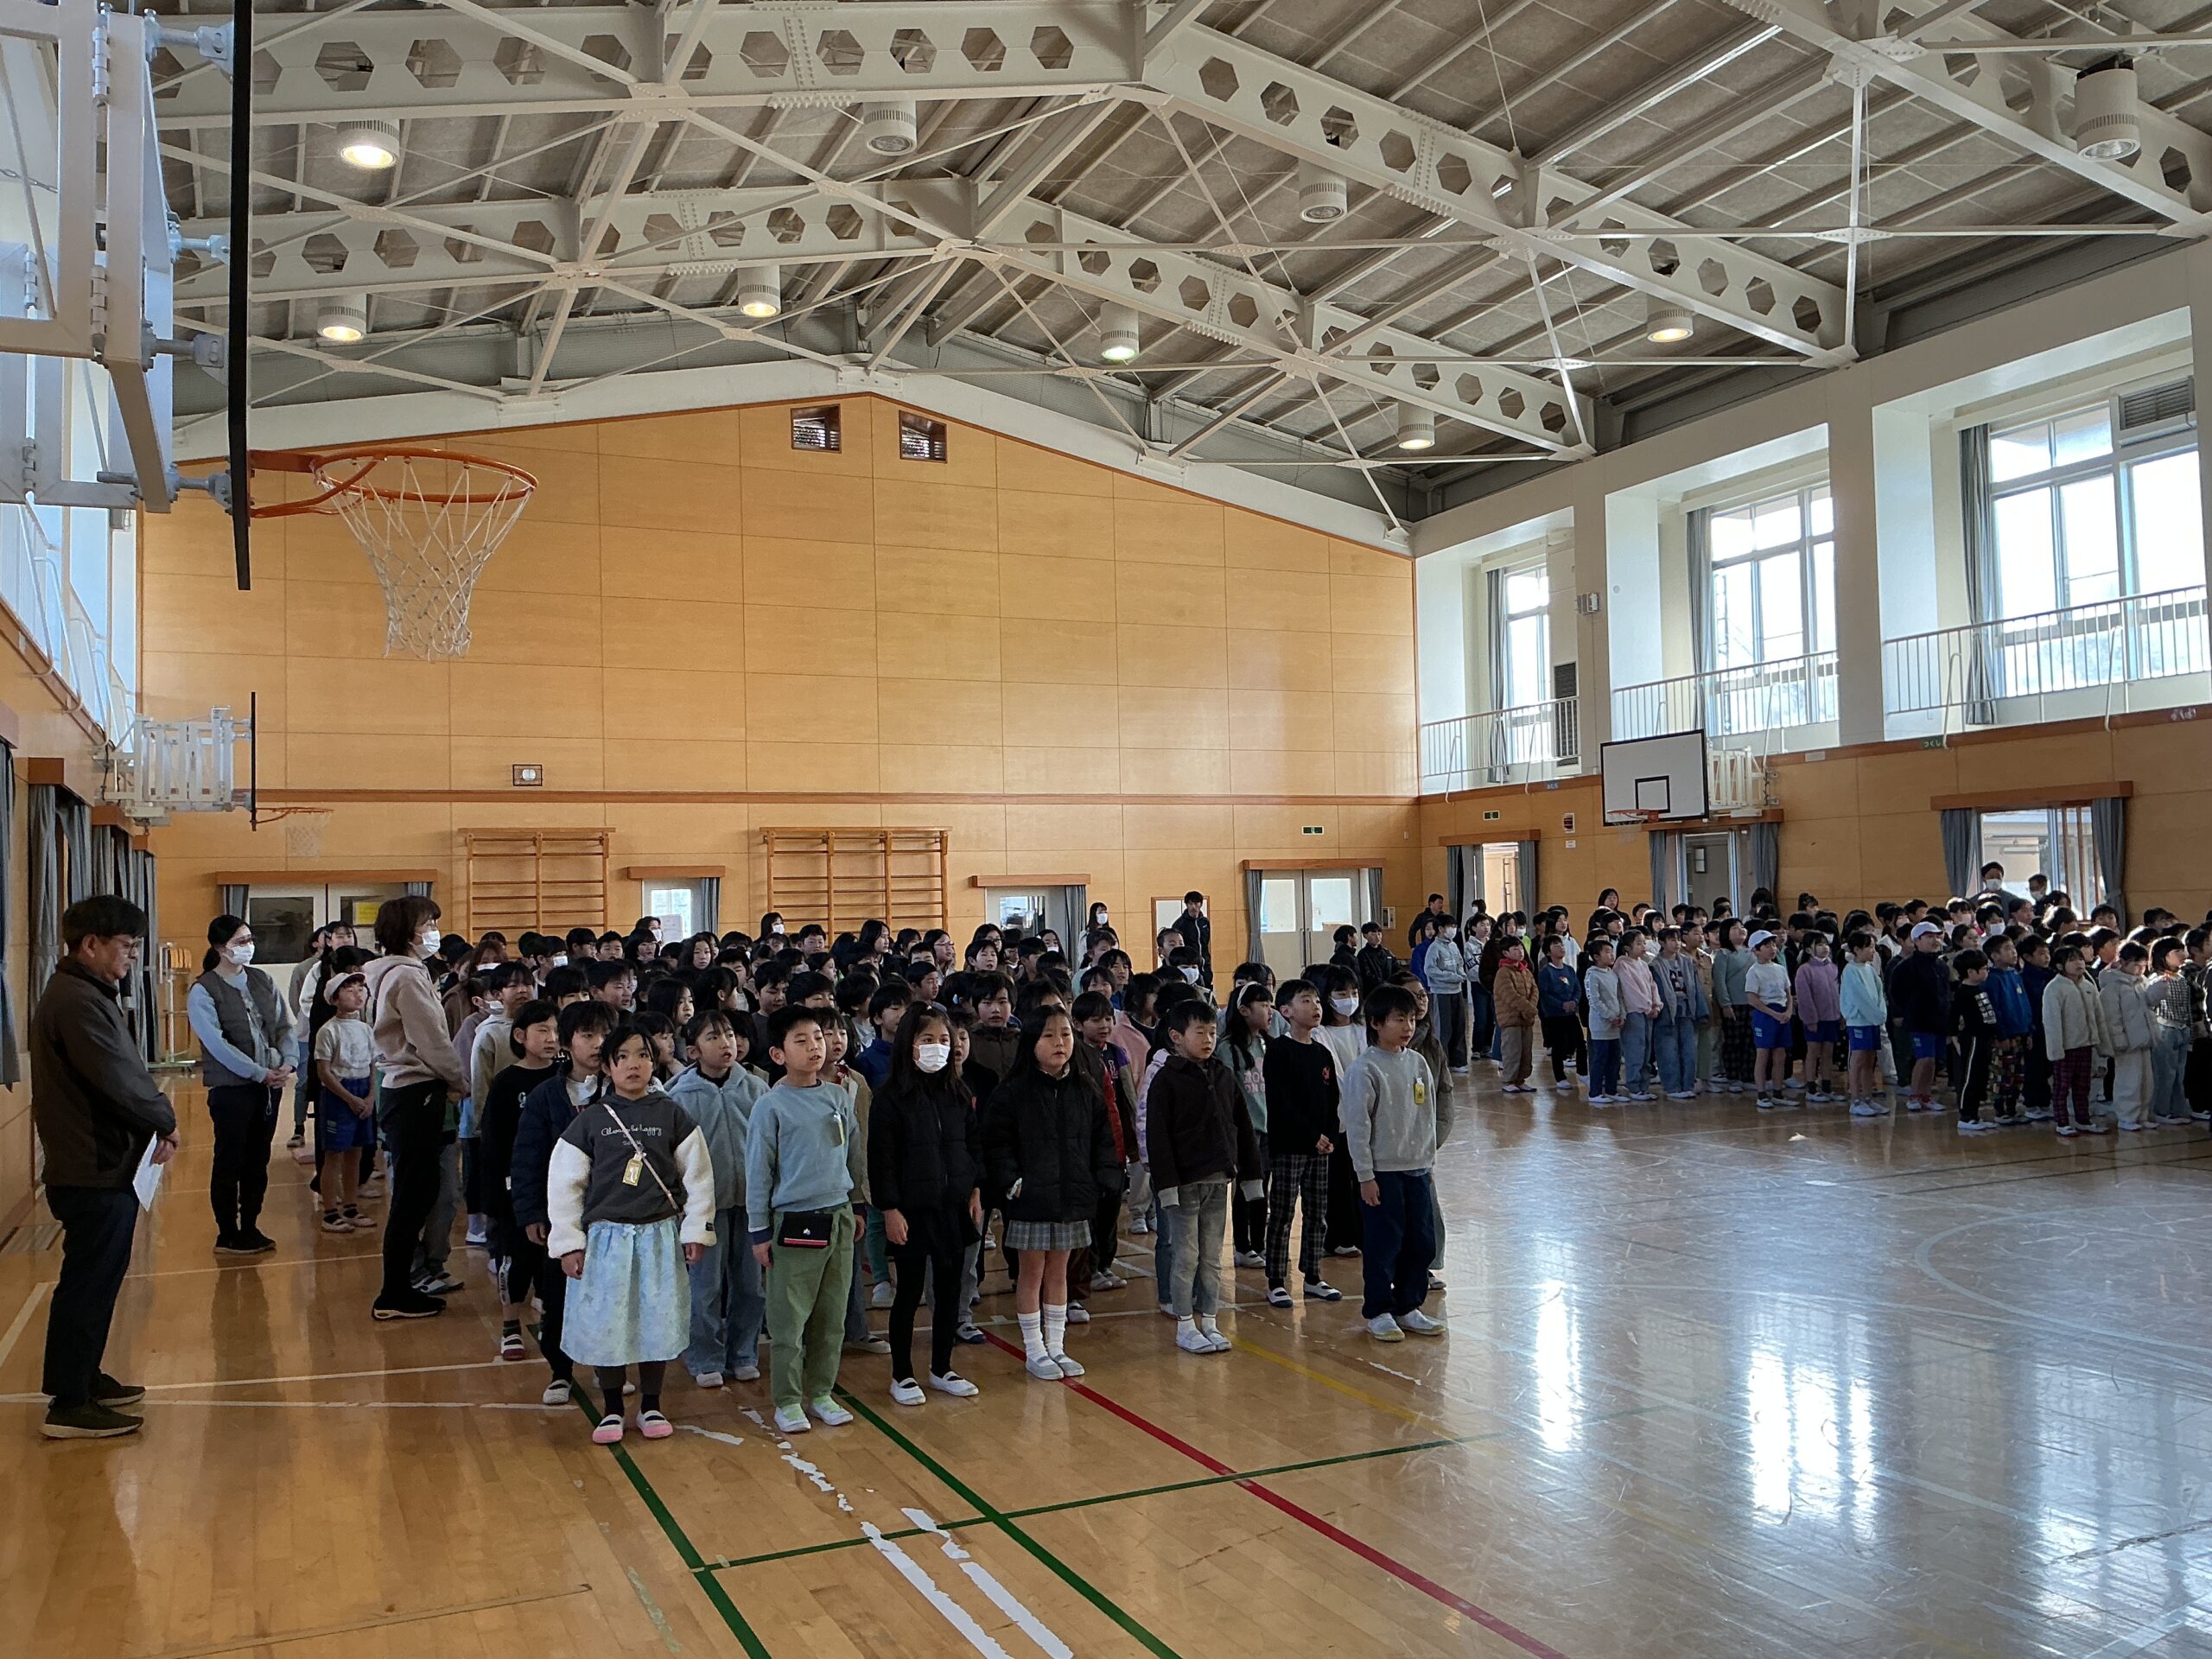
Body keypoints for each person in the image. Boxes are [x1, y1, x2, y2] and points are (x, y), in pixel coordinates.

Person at [31, 895, 178, 1439]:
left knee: (96, 1282)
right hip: (91, 1168)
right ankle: (69, 1403)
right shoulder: (76, 1000)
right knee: (88, 1285)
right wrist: (165, 1119)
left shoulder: (85, 992)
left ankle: (83, 1377)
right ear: (89, 944)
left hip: (99, 1164)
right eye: (127, 946)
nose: (133, 957)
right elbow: (117, 1077)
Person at [548, 1026, 715, 1444]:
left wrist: (695, 1230)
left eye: (642, 1055)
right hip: (606, 1241)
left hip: (659, 1236)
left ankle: (652, 1404)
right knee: (609, 1322)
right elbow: (565, 1185)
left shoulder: (672, 1114)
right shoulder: (591, 1120)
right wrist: (569, 1243)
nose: (633, 1064)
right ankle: (611, 1408)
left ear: (654, 1062)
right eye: (621, 1057)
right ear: (607, 1067)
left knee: (657, 1319)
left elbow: (698, 1177)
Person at [981, 1007, 1120, 1381]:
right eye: (1049, 1035)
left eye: (1066, 1034)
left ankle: (1056, 1346)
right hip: (1030, 1198)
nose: (1060, 1043)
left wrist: (1101, 1179)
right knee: (1031, 1273)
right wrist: (1013, 1183)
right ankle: (1034, 1349)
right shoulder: (1013, 1091)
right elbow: (996, 1144)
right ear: (1031, 1042)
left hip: (1072, 1196)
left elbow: (1103, 1139)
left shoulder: (1084, 1088)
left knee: (1060, 1273)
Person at [746, 1004, 865, 1435]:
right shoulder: (770, 1106)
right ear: (778, 1054)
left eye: (818, 1037)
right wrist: (759, 1230)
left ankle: (821, 1392)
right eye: (802, 1040)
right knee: (790, 1319)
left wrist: (857, 1204)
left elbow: (853, 1154)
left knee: (832, 1316)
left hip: (839, 1214)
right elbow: (758, 1172)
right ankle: (788, 1399)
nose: (816, 1046)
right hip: (794, 1219)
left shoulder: (838, 1097)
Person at [868, 1001, 984, 1404]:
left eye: (943, 1039)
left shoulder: (957, 1093)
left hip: (952, 1206)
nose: (938, 1046)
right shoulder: (890, 1098)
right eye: (927, 1039)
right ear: (909, 1044)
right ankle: (902, 1374)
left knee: (950, 1290)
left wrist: (974, 1189)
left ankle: (942, 1367)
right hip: (911, 1209)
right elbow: (881, 1160)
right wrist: (890, 1208)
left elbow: (971, 1146)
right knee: (910, 1291)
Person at [362, 894, 468, 1321]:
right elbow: (431, 1040)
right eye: (428, 924)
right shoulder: (405, 976)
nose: (434, 932)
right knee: (413, 1195)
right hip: (415, 1090)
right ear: (408, 931)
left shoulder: (387, 971)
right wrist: (458, 1079)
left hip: (404, 1090)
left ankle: (402, 1285)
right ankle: (395, 1291)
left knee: (416, 1192)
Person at [510, 1000, 618, 1403]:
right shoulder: (545, 1097)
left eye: (605, 1035)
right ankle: (560, 1371)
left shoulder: (624, 1090)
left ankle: (610, 1368)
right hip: (564, 1216)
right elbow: (527, 1158)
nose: (598, 1043)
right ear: (567, 1043)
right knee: (558, 1297)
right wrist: (531, 1212)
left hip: (615, 1215)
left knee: (612, 1297)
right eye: (588, 1035)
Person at [1147, 1000, 1265, 1357]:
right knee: (1186, 1257)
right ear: (1176, 1036)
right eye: (1200, 1032)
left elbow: (1243, 1127)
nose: (1208, 1039)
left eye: (1213, 1032)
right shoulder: (1165, 1080)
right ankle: (1185, 1324)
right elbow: (1158, 1137)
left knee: (1212, 1257)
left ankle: (1210, 1320)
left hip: (1218, 1182)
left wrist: (1251, 1177)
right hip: (1184, 1185)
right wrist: (1166, 1186)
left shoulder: (1223, 1075)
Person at [1340, 985, 1443, 1344]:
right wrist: (1365, 1176)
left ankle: (1409, 1305)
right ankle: (1379, 1310)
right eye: (1399, 1019)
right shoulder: (1365, 1069)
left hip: (1417, 1169)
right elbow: (1358, 1126)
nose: (1407, 1027)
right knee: (1384, 1244)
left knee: (1421, 1242)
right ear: (1376, 1023)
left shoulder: (1417, 1063)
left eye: (1411, 1019)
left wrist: (1428, 1162)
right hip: (1382, 1172)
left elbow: (1427, 1115)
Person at [188, 915, 295, 1255]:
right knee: (230, 1160)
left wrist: (288, 1061)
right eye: (240, 942)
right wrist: (257, 1072)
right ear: (220, 948)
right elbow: (217, 1045)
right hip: (232, 1090)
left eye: (249, 939)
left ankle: (250, 1224)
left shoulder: (262, 980)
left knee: (258, 1159)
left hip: (269, 1086)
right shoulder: (204, 990)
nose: (248, 947)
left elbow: (283, 1025)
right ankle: (227, 1231)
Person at [671, 1009, 766, 1388]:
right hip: (703, 1209)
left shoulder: (756, 1088)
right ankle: (705, 1356)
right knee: (705, 1288)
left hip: (751, 1205)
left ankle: (743, 1353)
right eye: (713, 1037)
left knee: (750, 1287)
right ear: (693, 1051)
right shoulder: (680, 1097)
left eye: (728, 1035)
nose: (726, 1043)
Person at [1261, 979, 1343, 1306]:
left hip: (1320, 1148)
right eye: (1306, 1001)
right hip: (1290, 1146)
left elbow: (1332, 1099)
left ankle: (1313, 1275)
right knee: (1282, 1214)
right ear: (1286, 1011)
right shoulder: (1279, 1051)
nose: (1316, 1007)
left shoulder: (1322, 1053)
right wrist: (1312, 1136)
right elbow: (1281, 1102)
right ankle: (1276, 1279)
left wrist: (1330, 1135)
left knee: (1317, 1212)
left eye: (1317, 1001)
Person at [311, 973, 378, 1233]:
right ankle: (330, 1212)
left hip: (362, 1091)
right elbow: (324, 1072)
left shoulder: (366, 1029)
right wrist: (350, 1098)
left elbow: (372, 1066)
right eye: (349, 989)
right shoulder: (329, 1030)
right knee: (334, 1154)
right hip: (339, 1094)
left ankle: (351, 1207)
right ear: (335, 998)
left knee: (356, 1153)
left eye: (360, 988)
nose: (357, 993)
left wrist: (370, 1097)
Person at [2041, 945, 2110, 1138]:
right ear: (2059, 966)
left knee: (2083, 1086)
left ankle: (2083, 1120)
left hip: (2086, 1045)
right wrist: (2056, 1050)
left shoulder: (2088, 986)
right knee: (2062, 1087)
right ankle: (2062, 1122)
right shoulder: (2054, 989)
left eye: (2080, 959)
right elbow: (2052, 1022)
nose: (2079, 963)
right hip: (2066, 1047)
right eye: (2072, 960)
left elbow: (2099, 1017)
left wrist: (2102, 1043)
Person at [2101, 941, 2157, 1131]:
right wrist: (2118, 1040)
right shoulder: (2112, 986)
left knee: (2146, 1082)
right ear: (2122, 962)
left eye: (2144, 965)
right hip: (2126, 1043)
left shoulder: (2143, 983)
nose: (2141, 969)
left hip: (2144, 1039)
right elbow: (2112, 1018)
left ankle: (2142, 1115)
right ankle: (2126, 1116)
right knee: (2129, 1081)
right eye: (2136, 964)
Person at [1840, 931, 1889, 1118]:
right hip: (1859, 1021)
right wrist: (1875, 1015)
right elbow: (1860, 998)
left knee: (1870, 1060)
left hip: (1873, 1020)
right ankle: (1856, 1100)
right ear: (1857, 949)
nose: (1873, 951)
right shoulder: (1850, 971)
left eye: (1874, 947)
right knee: (1858, 1059)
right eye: (1869, 947)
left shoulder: (1869, 969)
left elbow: (1879, 993)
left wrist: (1880, 1013)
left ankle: (1868, 1097)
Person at [1952, 950, 2000, 1135]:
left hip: (1984, 1039)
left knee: (1980, 1077)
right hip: (1972, 1039)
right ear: (1971, 972)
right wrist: (1954, 1037)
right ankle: (1966, 1116)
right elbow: (1953, 1018)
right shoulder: (1962, 993)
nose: (1987, 971)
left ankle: (1974, 1114)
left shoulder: (1980, 989)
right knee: (1970, 1077)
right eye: (1983, 968)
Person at [1793, 932, 1842, 1104]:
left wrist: (1841, 1015)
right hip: (1814, 1019)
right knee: (1813, 1052)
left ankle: (1827, 1086)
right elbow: (1805, 998)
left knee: (1828, 1052)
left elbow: (1838, 994)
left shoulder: (1833, 968)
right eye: (1819, 944)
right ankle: (1811, 1088)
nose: (1825, 947)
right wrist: (1810, 1019)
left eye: (1826, 944)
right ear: (1809, 949)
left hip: (1832, 1017)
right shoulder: (1804, 970)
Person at [1491, 938, 1538, 1093]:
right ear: (1506, 953)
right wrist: (1528, 1008)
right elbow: (1510, 995)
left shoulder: (1526, 971)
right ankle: (1509, 1080)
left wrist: (1530, 1007)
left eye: (1521, 948)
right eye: (1516, 949)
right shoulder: (1503, 973)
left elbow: (1534, 990)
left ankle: (1521, 1079)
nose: (1520, 952)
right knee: (1512, 1051)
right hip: (1511, 1019)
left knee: (1526, 1052)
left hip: (1526, 1019)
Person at [1583, 938, 1623, 1103]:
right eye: (1607, 952)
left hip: (1615, 1024)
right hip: (1601, 1024)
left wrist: (1621, 1015)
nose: (1611, 955)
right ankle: (1595, 1093)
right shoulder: (1592, 975)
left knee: (1614, 1058)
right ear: (1596, 956)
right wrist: (1610, 1016)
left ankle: (1612, 1090)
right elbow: (1595, 1000)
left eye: (1612, 951)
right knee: (1600, 1058)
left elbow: (1619, 996)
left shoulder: (1612, 974)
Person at [1173, 891, 1212, 988]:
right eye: (1190, 904)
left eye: (1196, 903)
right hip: (1189, 963)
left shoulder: (1205, 922)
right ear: (1186, 905)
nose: (1193, 907)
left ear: (1201, 904)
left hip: (1205, 963)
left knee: (1207, 986)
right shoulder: (1180, 924)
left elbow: (1206, 942)